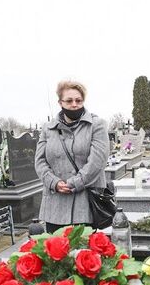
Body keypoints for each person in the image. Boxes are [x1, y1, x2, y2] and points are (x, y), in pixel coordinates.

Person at [35, 80, 109, 233]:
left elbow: (97, 162)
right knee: (55, 254)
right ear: (60, 102)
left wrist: (74, 183)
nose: (74, 104)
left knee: (84, 254)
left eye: (78, 100)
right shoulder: (48, 129)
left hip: (85, 204)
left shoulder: (97, 125)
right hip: (54, 206)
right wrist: (54, 183)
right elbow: (40, 161)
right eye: (69, 101)